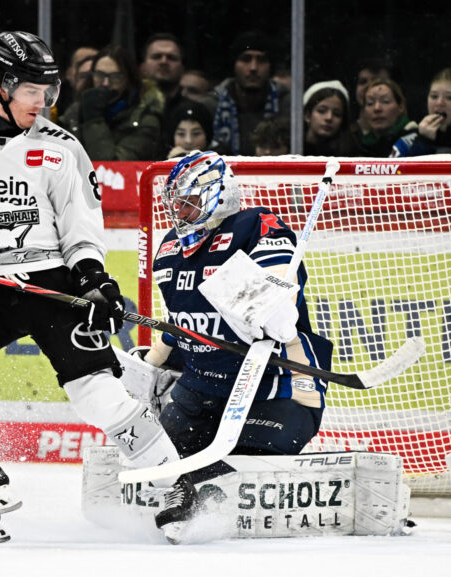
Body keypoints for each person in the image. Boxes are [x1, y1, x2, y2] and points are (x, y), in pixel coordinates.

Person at [0, 30, 196, 541]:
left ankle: (175, 485)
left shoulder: (61, 147)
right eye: (33, 90)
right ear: (1, 86)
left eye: (49, 90)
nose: (44, 101)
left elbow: (82, 231)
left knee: (97, 394)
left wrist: (94, 279)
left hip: (50, 282)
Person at [117, 151, 332, 534]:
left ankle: (195, 493)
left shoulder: (256, 225)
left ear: (219, 195)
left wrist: (276, 303)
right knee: (154, 456)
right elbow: (179, 324)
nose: (180, 213)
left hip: (274, 390)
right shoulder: (169, 250)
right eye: (175, 205)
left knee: (247, 463)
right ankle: (186, 491)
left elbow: (281, 296)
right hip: (199, 394)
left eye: (189, 202)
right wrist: (149, 364)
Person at [59, 44, 165, 160]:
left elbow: (110, 166)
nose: (106, 83)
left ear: (128, 80)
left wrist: (94, 119)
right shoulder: (75, 112)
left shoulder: (144, 121)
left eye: (115, 77)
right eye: (100, 75)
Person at [211, 31, 292, 156]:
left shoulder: (288, 106)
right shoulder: (212, 105)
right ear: (234, 64)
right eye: (246, 59)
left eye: (261, 60)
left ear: (271, 66)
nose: (253, 67)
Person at [351, 77, 415, 157]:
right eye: (370, 103)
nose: (377, 108)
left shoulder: (415, 142)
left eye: (385, 101)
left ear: (401, 106)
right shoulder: (358, 147)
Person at [301, 80, 353, 156]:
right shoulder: (288, 149)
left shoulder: (347, 156)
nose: (329, 118)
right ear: (307, 115)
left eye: (337, 114)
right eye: (321, 111)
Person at [59, 45, 99, 113]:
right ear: (68, 73)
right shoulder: (55, 101)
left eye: (95, 62)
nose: (89, 66)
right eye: (84, 76)